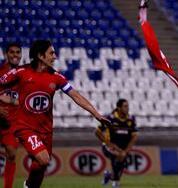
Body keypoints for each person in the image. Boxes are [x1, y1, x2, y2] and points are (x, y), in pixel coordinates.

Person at [0, 39, 109, 188]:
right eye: (51, 53)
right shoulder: (21, 72)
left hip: (46, 130)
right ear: (40, 56)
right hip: (25, 127)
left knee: (41, 166)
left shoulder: (56, 77)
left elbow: (75, 95)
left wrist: (96, 114)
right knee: (43, 159)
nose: (55, 56)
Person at [95, 98, 138, 187]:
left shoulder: (131, 119)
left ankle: (109, 175)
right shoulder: (110, 118)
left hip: (123, 148)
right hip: (108, 146)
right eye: (125, 106)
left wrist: (127, 150)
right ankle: (116, 182)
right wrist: (108, 144)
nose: (127, 108)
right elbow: (97, 132)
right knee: (120, 157)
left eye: (128, 106)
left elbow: (135, 136)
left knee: (121, 164)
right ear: (119, 107)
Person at [0, 43, 22, 188]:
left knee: (12, 155)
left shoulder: (24, 75)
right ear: (6, 54)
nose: (15, 55)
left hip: (11, 122)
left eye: (17, 52)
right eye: (12, 52)